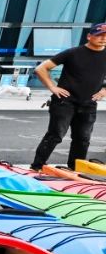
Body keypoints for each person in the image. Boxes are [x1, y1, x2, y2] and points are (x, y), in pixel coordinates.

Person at [30, 23, 106, 170]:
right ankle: (37, 166)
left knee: (83, 139)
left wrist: (104, 90)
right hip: (64, 102)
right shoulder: (73, 53)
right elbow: (41, 68)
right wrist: (52, 87)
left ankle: (75, 169)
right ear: (89, 36)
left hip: (89, 104)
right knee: (55, 135)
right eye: (99, 35)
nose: (103, 38)